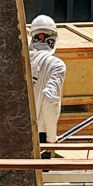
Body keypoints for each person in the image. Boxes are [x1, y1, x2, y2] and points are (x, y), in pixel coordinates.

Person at [28, 15, 67, 149]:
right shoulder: (56, 65)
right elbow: (50, 100)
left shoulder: (19, 60)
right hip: (40, 134)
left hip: (13, 130)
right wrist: (51, 137)